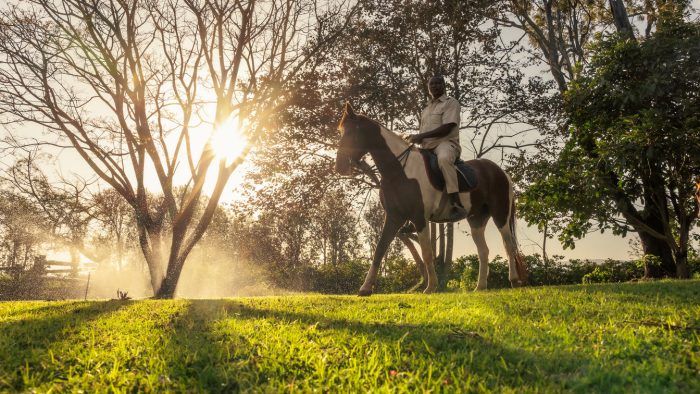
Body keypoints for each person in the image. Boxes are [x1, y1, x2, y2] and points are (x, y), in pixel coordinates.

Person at [408, 75, 467, 221]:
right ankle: (413, 211)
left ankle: (455, 203)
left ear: (443, 85)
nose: (434, 86)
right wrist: (414, 139)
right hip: (426, 147)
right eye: (431, 84)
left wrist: (420, 136)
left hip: (445, 144)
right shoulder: (426, 109)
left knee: (444, 159)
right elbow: (423, 133)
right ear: (428, 88)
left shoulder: (451, 103)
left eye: (437, 83)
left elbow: (447, 127)